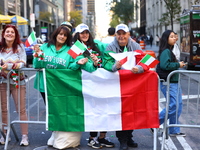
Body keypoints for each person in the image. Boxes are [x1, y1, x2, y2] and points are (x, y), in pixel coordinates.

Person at [33, 26, 97, 149]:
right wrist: (37, 55)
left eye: (65, 35)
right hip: (44, 85)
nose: (62, 37)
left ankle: (57, 134)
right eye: (60, 34)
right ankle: (55, 133)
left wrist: (82, 63)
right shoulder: (45, 47)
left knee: (58, 110)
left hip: (60, 87)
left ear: (67, 38)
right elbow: (37, 65)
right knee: (52, 111)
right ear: (55, 34)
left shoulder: (70, 50)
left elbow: (74, 66)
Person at [103, 23, 149, 150]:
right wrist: (114, 66)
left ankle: (129, 137)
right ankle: (122, 140)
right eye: (119, 34)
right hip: (117, 85)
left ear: (129, 35)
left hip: (133, 85)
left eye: (124, 33)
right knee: (120, 113)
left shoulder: (135, 45)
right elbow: (105, 62)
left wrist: (139, 68)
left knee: (132, 112)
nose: (121, 36)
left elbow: (145, 61)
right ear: (116, 35)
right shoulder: (110, 47)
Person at [73, 23, 115, 149]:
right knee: (94, 110)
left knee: (105, 108)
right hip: (88, 84)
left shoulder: (96, 43)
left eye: (86, 32)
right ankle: (92, 138)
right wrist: (87, 63)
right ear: (78, 35)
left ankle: (102, 137)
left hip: (102, 81)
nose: (84, 35)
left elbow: (109, 49)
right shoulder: (76, 48)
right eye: (82, 33)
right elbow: (76, 65)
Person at [0, 24, 29, 146]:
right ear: (3, 34)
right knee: (4, 110)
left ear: (15, 34)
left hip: (18, 82)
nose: (10, 34)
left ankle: (24, 137)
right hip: (2, 82)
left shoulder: (20, 47)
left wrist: (10, 66)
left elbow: (23, 63)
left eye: (12, 32)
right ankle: (5, 134)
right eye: (7, 32)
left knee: (21, 109)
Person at [156, 30, 186, 137]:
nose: (174, 38)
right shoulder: (166, 51)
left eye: (175, 36)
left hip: (173, 82)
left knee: (178, 106)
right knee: (173, 105)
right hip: (168, 82)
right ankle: (155, 123)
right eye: (172, 36)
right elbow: (165, 65)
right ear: (166, 38)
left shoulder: (170, 49)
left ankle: (174, 130)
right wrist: (178, 65)